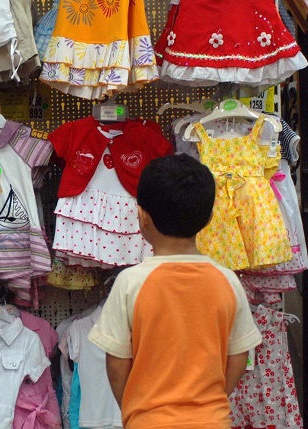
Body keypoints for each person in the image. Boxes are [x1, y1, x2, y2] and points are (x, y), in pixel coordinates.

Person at [88, 154, 262, 428]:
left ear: (142, 216)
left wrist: (133, 410)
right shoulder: (227, 280)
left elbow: (117, 361)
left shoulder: (130, 282)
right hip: (212, 421)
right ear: (209, 218)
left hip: (148, 420)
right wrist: (211, 405)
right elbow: (239, 355)